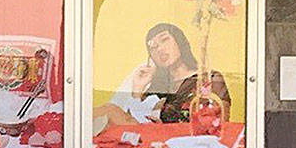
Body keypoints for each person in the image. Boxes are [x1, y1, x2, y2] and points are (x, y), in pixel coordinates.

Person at [96, 22, 231, 129]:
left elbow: (218, 121)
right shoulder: (156, 86)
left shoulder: (209, 79)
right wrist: (138, 88)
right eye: (153, 47)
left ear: (180, 42)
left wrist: (166, 127)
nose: (159, 49)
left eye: (164, 40)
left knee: (110, 110)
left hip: (185, 143)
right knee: (110, 110)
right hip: (150, 141)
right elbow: (132, 121)